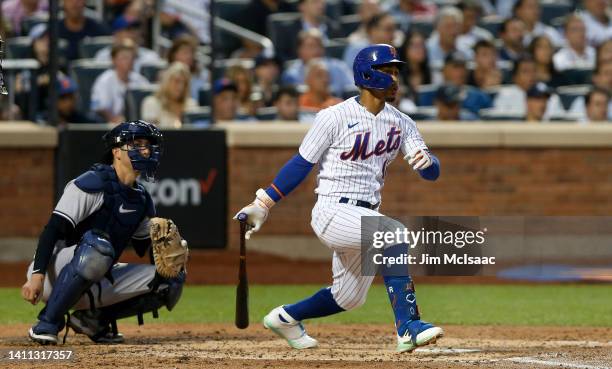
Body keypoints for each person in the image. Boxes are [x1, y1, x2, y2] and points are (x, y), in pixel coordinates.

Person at [234, 44, 443, 352]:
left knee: (349, 298)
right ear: (367, 74)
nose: (395, 78)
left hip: (365, 216)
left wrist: (429, 164)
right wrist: (264, 202)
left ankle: (284, 318)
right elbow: (301, 163)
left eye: (396, 71)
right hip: (332, 211)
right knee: (394, 232)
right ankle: (409, 327)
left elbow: (432, 171)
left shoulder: (402, 122)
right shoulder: (333, 116)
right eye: (388, 71)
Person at [23, 121, 186, 345]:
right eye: (137, 144)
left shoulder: (142, 199)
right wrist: (37, 277)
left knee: (171, 280)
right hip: (54, 272)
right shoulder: (92, 183)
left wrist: (167, 247)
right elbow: (52, 231)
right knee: (97, 247)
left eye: (148, 145)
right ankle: (47, 323)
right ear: (116, 151)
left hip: (96, 275)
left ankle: (92, 320)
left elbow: (142, 249)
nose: (146, 150)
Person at [281, 29, 354, 97]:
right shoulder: (292, 75)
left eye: (319, 46)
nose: (316, 51)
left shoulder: (339, 67)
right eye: (311, 46)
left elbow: (353, 91)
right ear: (299, 50)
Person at [91, 40, 149, 123]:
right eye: (125, 58)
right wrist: (114, 119)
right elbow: (101, 107)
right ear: (114, 60)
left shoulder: (140, 79)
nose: (129, 61)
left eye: (132, 58)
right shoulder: (105, 80)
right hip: (111, 123)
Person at [94, 18, 163, 74]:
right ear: (116, 33)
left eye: (136, 29)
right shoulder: (103, 55)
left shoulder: (150, 56)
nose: (134, 33)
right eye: (128, 30)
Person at [141, 62, 198, 128]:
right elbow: (150, 133)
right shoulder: (152, 103)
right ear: (167, 82)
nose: (181, 87)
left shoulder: (191, 105)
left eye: (185, 83)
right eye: (177, 81)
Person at [167, 34, 208, 101]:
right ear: (174, 55)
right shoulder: (165, 76)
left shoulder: (202, 75)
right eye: (185, 53)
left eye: (191, 53)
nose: (189, 57)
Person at [426, 6, 467, 72]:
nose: (453, 31)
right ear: (437, 28)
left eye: (457, 26)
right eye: (448, 26)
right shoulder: (426, 50)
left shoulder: (467, 51)